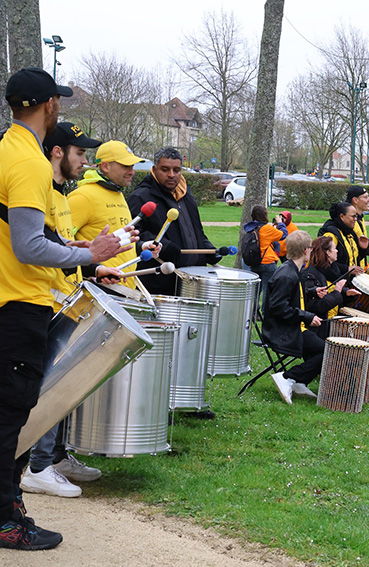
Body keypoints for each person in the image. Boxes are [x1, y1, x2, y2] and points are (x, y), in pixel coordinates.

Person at [0, 67, 127, 551]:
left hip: (11, 301)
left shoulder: (7, 149)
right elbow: (30, 246)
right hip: (20, 305)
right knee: (14, 418)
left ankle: (10, 505)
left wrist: (85, 263)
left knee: (11, 415)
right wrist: (87, 255)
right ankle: (5, 519)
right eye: (60, 101)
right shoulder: (29, 162)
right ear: (49, 105)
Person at [19, 123, 122, 501]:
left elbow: (59, 246)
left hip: (67, 299)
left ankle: (54, 457)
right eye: (81, 154)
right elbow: (35, 248)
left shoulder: (61, 195)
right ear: (58, 152)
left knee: (64, 383)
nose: (86, 161)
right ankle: (37, 466)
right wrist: (88, 255)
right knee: (50, 386)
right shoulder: (39, 191)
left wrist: (94, 265)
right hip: (41, 304)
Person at [127, 147, 220, 296]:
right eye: (165, 169)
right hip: (158, 286)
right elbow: (133, 235)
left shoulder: (186, 196)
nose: (171, 175)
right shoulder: (141, 197)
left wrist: (210, 250)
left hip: (190, 282)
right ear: (154, 169)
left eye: (176, 170)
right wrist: (164, 246)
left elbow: (196, 232)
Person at [68, 140, 155, 293]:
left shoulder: (118, 194)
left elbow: (115, 239)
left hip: (122, 291)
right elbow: (60, 245)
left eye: (132, 166)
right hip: (95, 294)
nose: (132, 171)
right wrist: (95, 269)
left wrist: (141, 246)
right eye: (125, 166)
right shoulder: (83, 197)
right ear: (106, 166)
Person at [262, 230, 325, 402]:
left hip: (292, 326)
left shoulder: (291, 269)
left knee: (321, 346)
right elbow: (279, 307)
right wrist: (306, 316)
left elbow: (291, 296)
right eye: (311, 248)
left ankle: (299, 382)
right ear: (306, 250)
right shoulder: (287, 275)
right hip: (282, 331)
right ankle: (287, 377)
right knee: (326, 351)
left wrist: (312, 292)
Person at [300, 236, 359, 339]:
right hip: (317, 329)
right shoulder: (311, 274)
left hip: (330, 325)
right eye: (334, 248)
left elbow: (330, 288)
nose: (337, 251)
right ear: (328, 252)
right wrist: (337, 292)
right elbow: (314, 306)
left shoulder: (330, 270)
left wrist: (346, 293)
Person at [243, 205, 287, 313]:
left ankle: (252, 312)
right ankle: (266, 313)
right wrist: (280, 223)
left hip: (254, 262)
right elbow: (283, 235)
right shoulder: (267, 228)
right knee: (268, 290)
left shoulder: (250, 227)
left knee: (256, 291)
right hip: (267, 263)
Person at [318, 202, 363, 277]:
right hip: (333, 284)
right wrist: (347, 269)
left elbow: (353, 258)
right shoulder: (330, 235)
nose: (356, 219)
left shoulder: (350, 233)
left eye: (356, 216)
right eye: (353, 216)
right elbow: (323, 263)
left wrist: (363, 248)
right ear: (342, 216)